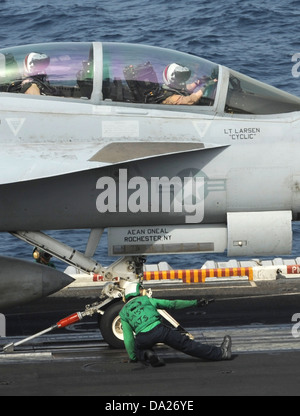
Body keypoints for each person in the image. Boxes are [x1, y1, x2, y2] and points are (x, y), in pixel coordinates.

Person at [119, 282, 232, 367]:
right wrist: (195, 303)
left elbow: (128, 338)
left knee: (138, 348)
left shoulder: (123, 312)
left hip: (143, 337)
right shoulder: (146, 300)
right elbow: (173, 304)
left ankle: (147, 354)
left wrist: (133, 358)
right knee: (187, 345)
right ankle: (221, 353)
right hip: (160, 330)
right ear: (137, 291)